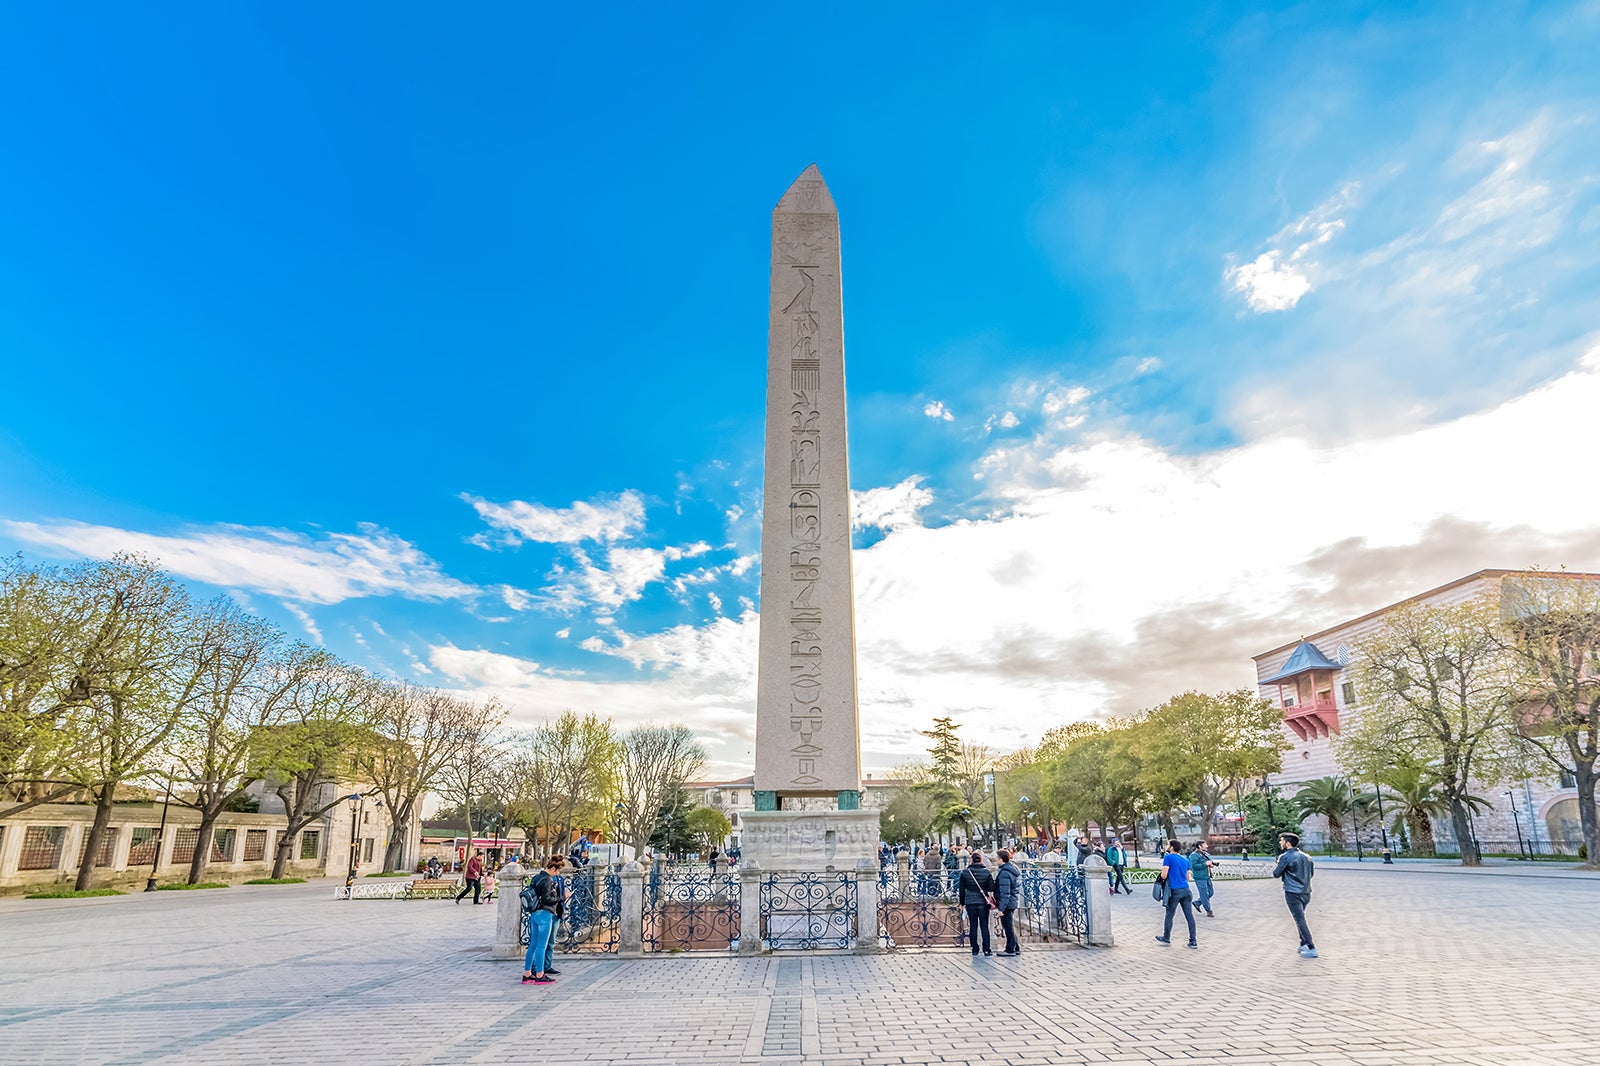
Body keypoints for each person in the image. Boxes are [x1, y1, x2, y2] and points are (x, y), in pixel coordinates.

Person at [520, 855, 566, 985]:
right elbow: (548, 899)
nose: (557, 874)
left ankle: (527, 973)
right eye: (557, 871)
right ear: (552, 868)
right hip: (545, 914)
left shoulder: (536, 878)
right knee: (542, 946)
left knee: (532, 945)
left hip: (534, 913)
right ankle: (540, 974)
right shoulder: (547, 880)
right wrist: (563, 897)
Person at [1272, 832, 1317, 958]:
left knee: (1300, 919)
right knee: (1300, 916)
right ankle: (1303, 943)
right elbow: (1310, 874)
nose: (1280, 843)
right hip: (1306, 892)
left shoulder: (1285, 857)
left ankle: (1311, 946)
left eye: (1281, 841)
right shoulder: (1307, 857)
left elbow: (1276, 874)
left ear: (1288, 843)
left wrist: (1278, 863)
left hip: (1292, 892)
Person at [1155, 839, 1197, 949]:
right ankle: (1193, 941)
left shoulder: (1168, 858)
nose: (1167, 846)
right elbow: (1188, 877)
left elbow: (1164, 875)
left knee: (1169, 915)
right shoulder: (1185, 860)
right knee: (1189, 916)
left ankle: (1166, 937)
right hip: (1186, 890)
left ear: (1172, 847)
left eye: (1168, 845)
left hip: (1174, 890)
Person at [958, 851, 997, 957]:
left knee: (973, 925)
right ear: (981, 860)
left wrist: (962, 903)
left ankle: (975, 949)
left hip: (970, 901)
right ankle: (987, 949)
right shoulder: (986, 872)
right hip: (983, 902)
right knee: (984, 925)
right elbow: (991, 888)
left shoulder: (965, 873)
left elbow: (961, 890)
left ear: (971, 860)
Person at [994, 849, 1021, 956]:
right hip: (1012, 901)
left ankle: (1010, 949)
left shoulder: (1004, 873)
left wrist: (1001, 908)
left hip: (1007, 903)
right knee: (1009, 925)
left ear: (1001, 859)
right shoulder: (1010, 870)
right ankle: (1016, 947)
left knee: (1007, 926)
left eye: (997, 858)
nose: (996, 860)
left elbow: (1005, 892)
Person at [1189, 840, 1217, 916]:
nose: (1207, 846)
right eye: (1205, 845)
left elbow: (1207, 862)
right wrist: (1205, 864)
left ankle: (1197, 903)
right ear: (1199, 846)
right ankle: (1208, 910)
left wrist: (1210, 865)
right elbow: (1194, 866)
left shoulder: (1205, 854)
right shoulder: (1194, 855)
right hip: (1200, 877)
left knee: (1210, 893)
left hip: (1207, 876)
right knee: (1204, 894)